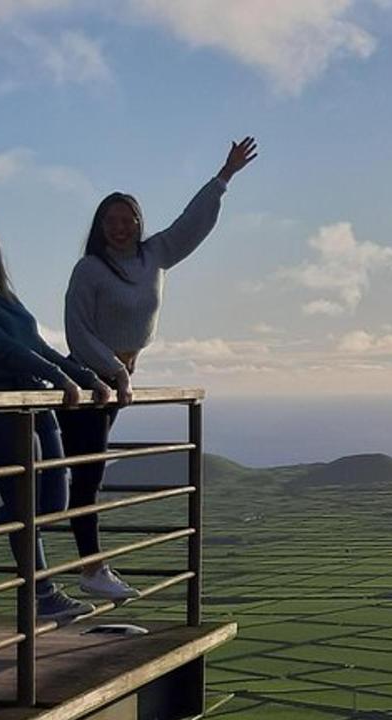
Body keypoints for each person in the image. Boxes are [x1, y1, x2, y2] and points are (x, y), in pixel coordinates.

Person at [58, 137, 258, 599]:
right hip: (89, 381)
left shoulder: (154, 257)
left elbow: (192, 225)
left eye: (128, 219)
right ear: (100, 226)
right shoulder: (88, 270)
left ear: (138, 224)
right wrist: (119, 373)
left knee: (61, 475)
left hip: (112, 382)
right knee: (86, 477)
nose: (121, 227)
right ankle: (92, 570)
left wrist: (223, 177)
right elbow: (77, 334)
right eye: (112, 220)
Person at [0, 222, 115, 621]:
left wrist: (88, 379)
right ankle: (44, 595)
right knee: (25, 505)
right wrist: (63, 380)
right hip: (1, 411)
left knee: (52, 502)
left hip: (37, 405)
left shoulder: (8, 301)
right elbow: (5, 350)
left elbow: (37, 346)